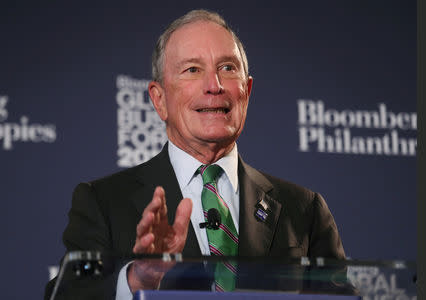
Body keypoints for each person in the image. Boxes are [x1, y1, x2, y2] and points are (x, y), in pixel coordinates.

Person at [45, 9, 345, 300]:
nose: (214, 86)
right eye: (192, 70)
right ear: (159, 99)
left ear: (247, 91)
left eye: (228, 68)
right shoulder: (103, 203)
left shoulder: (305, 209)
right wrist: (139, 279)